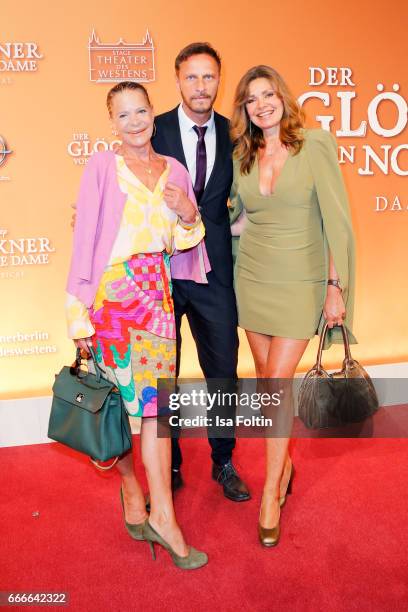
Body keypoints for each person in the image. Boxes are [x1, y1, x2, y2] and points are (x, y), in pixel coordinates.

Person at [65, 81, 208, 569]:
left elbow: (186, 238)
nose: (134, 122)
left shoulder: (175, 171)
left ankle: (163, 515)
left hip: (158, 298)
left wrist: (190, 214)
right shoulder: (102, 168)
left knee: (157, 412)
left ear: (153, 113)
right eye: (123, 115)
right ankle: (131, 487)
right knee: (121, 410)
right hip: (113, 298)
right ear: (111, 122)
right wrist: (76, 310)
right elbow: (84, 237)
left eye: (141, 111)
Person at [229, 65, 356, 546]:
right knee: (267, 388)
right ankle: (285, 462)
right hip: (253, 278)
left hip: (301, 279)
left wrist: (334, 285)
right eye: (251, 98)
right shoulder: (244, 155)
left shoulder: (314, 144)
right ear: (243, 109)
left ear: (283, 97)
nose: (262, 104)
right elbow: (242, 221)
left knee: (278, 386)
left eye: (269, 94)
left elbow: (335, 218)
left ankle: (270, 491)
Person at [152, 42, 250, 503]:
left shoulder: (236, 133)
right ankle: (168, 464)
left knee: (223, 372)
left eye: (209, 77)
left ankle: (223, 460)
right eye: (192, 77)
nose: (201, 86)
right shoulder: (154, 130)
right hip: (164, 274)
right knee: (163, 374)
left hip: (215, 275)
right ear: (177, 80)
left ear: (219, 80)